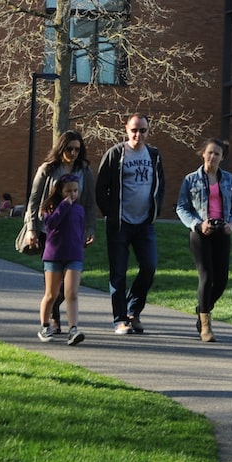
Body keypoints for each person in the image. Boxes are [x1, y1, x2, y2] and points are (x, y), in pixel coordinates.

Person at [95, 113, 166, 336]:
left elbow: (160, 184)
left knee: (149, 266)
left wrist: (154, 211)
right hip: (120, 224)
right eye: (134, 130)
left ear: (149, 130)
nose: (138, 134)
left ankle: (133, 312)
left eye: (143, 130)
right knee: (118, 272)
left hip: (144, 223)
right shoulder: (116, 154)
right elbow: (101, 188)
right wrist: (111, 214)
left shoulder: (153, 155)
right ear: (126, 129)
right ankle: (120, 319)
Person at [25, 131, 95, 335]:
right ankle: (52, 319)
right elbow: (34, 200)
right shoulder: (47, 169)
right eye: (69, 149)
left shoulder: (85, 170)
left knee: (69, 285)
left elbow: (89, 203)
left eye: (77, 149)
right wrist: (31, 229)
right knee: (52, 285)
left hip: (74, 232)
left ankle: (69, 324)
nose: (73, 153)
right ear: (61, 148)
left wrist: (90, 228)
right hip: (50, 231)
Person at [176, 138, 232, 343]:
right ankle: (206, 327)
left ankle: (202, 309)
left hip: (222, 231)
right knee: (206, 276)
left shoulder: (229, 180)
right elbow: (181, 207)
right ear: (203, 153)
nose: (213, 157)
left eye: (217, 154)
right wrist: (197, 224)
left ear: (222, 158)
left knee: (221, 281)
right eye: (210, 152)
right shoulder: (190, 180)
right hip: (200, 233)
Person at [36, 173, 88, 346]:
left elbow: (80, 230)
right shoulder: (51, 208)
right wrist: (63, 206)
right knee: (51, 294)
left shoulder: (80, 209)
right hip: (54, 256)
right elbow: (50, 225)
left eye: (75, 190)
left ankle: (73, 329)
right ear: (60, 191)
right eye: (68, 191)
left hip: (74, 256)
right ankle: (45, 326)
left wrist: (82, 245)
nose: (72, 194)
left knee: (71, 293)